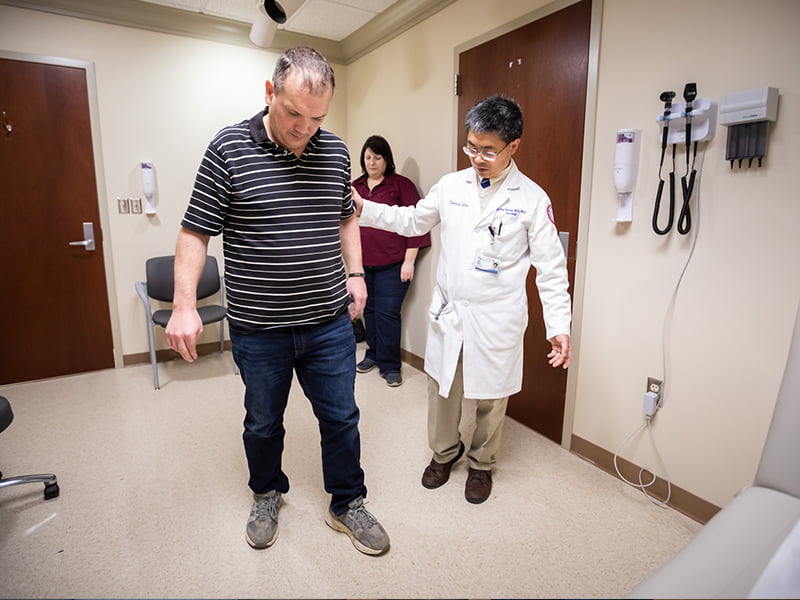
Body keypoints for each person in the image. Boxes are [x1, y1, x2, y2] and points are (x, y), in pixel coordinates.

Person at [165, 46, 389, 555]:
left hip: (328, 321)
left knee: (342, 417)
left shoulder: (334, 151)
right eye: (293, 113)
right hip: (258, 328)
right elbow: (195, 232)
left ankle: (347, 502)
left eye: (317, 118)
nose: (304, 128)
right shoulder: (227, 148)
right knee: (263, 422)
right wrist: (183, 304)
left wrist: (355, 272)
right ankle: (266, 493)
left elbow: (346, 214)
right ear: (270, 93)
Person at [352, 95, 572, 505]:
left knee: (492, 396)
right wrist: (367, 209)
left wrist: (559, 327)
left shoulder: (532, 200)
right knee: (443, 388)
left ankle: (482, 463)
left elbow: (552, 269)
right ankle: (444, 453)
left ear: (513, 147)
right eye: (471, 146)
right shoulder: (451, 186)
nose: (477, 157)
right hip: (451, 311)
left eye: (488, 149)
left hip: (497, 316)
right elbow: (412, 219)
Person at [352, 135, 431, 387]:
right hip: (363, 266)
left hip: (393, 264)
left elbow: (417, 225)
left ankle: (390, 365)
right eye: (368, 157)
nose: (372, 162)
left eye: (377, 157)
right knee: (370, 312)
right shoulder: (356, 186)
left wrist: (409, 262)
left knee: (388, 314)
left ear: (387, 159)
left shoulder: (401, 185)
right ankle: (373, 354)